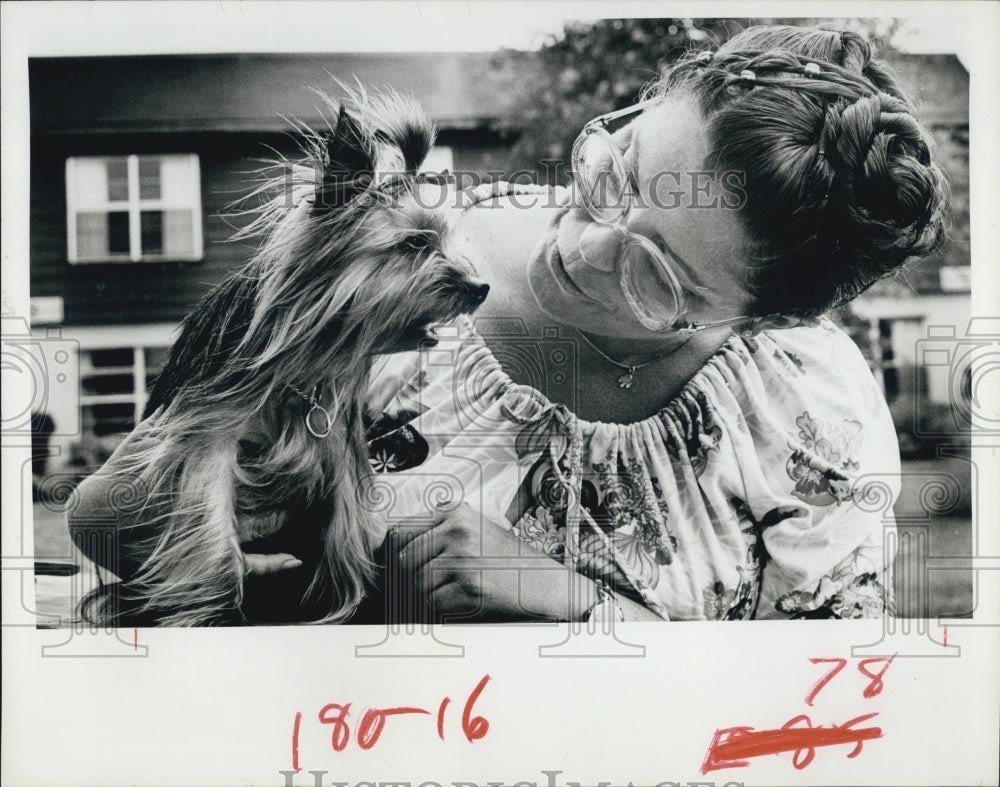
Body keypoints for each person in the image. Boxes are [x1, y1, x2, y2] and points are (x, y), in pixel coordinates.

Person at [72, 24, 949, 622]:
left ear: (762, 320)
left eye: (655, 274)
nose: (584, 244)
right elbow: (117, 528)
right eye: (618, 167)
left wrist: (576, 603)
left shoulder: (812, 415)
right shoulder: (385, 281)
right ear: (638, 108)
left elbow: (831, 715)